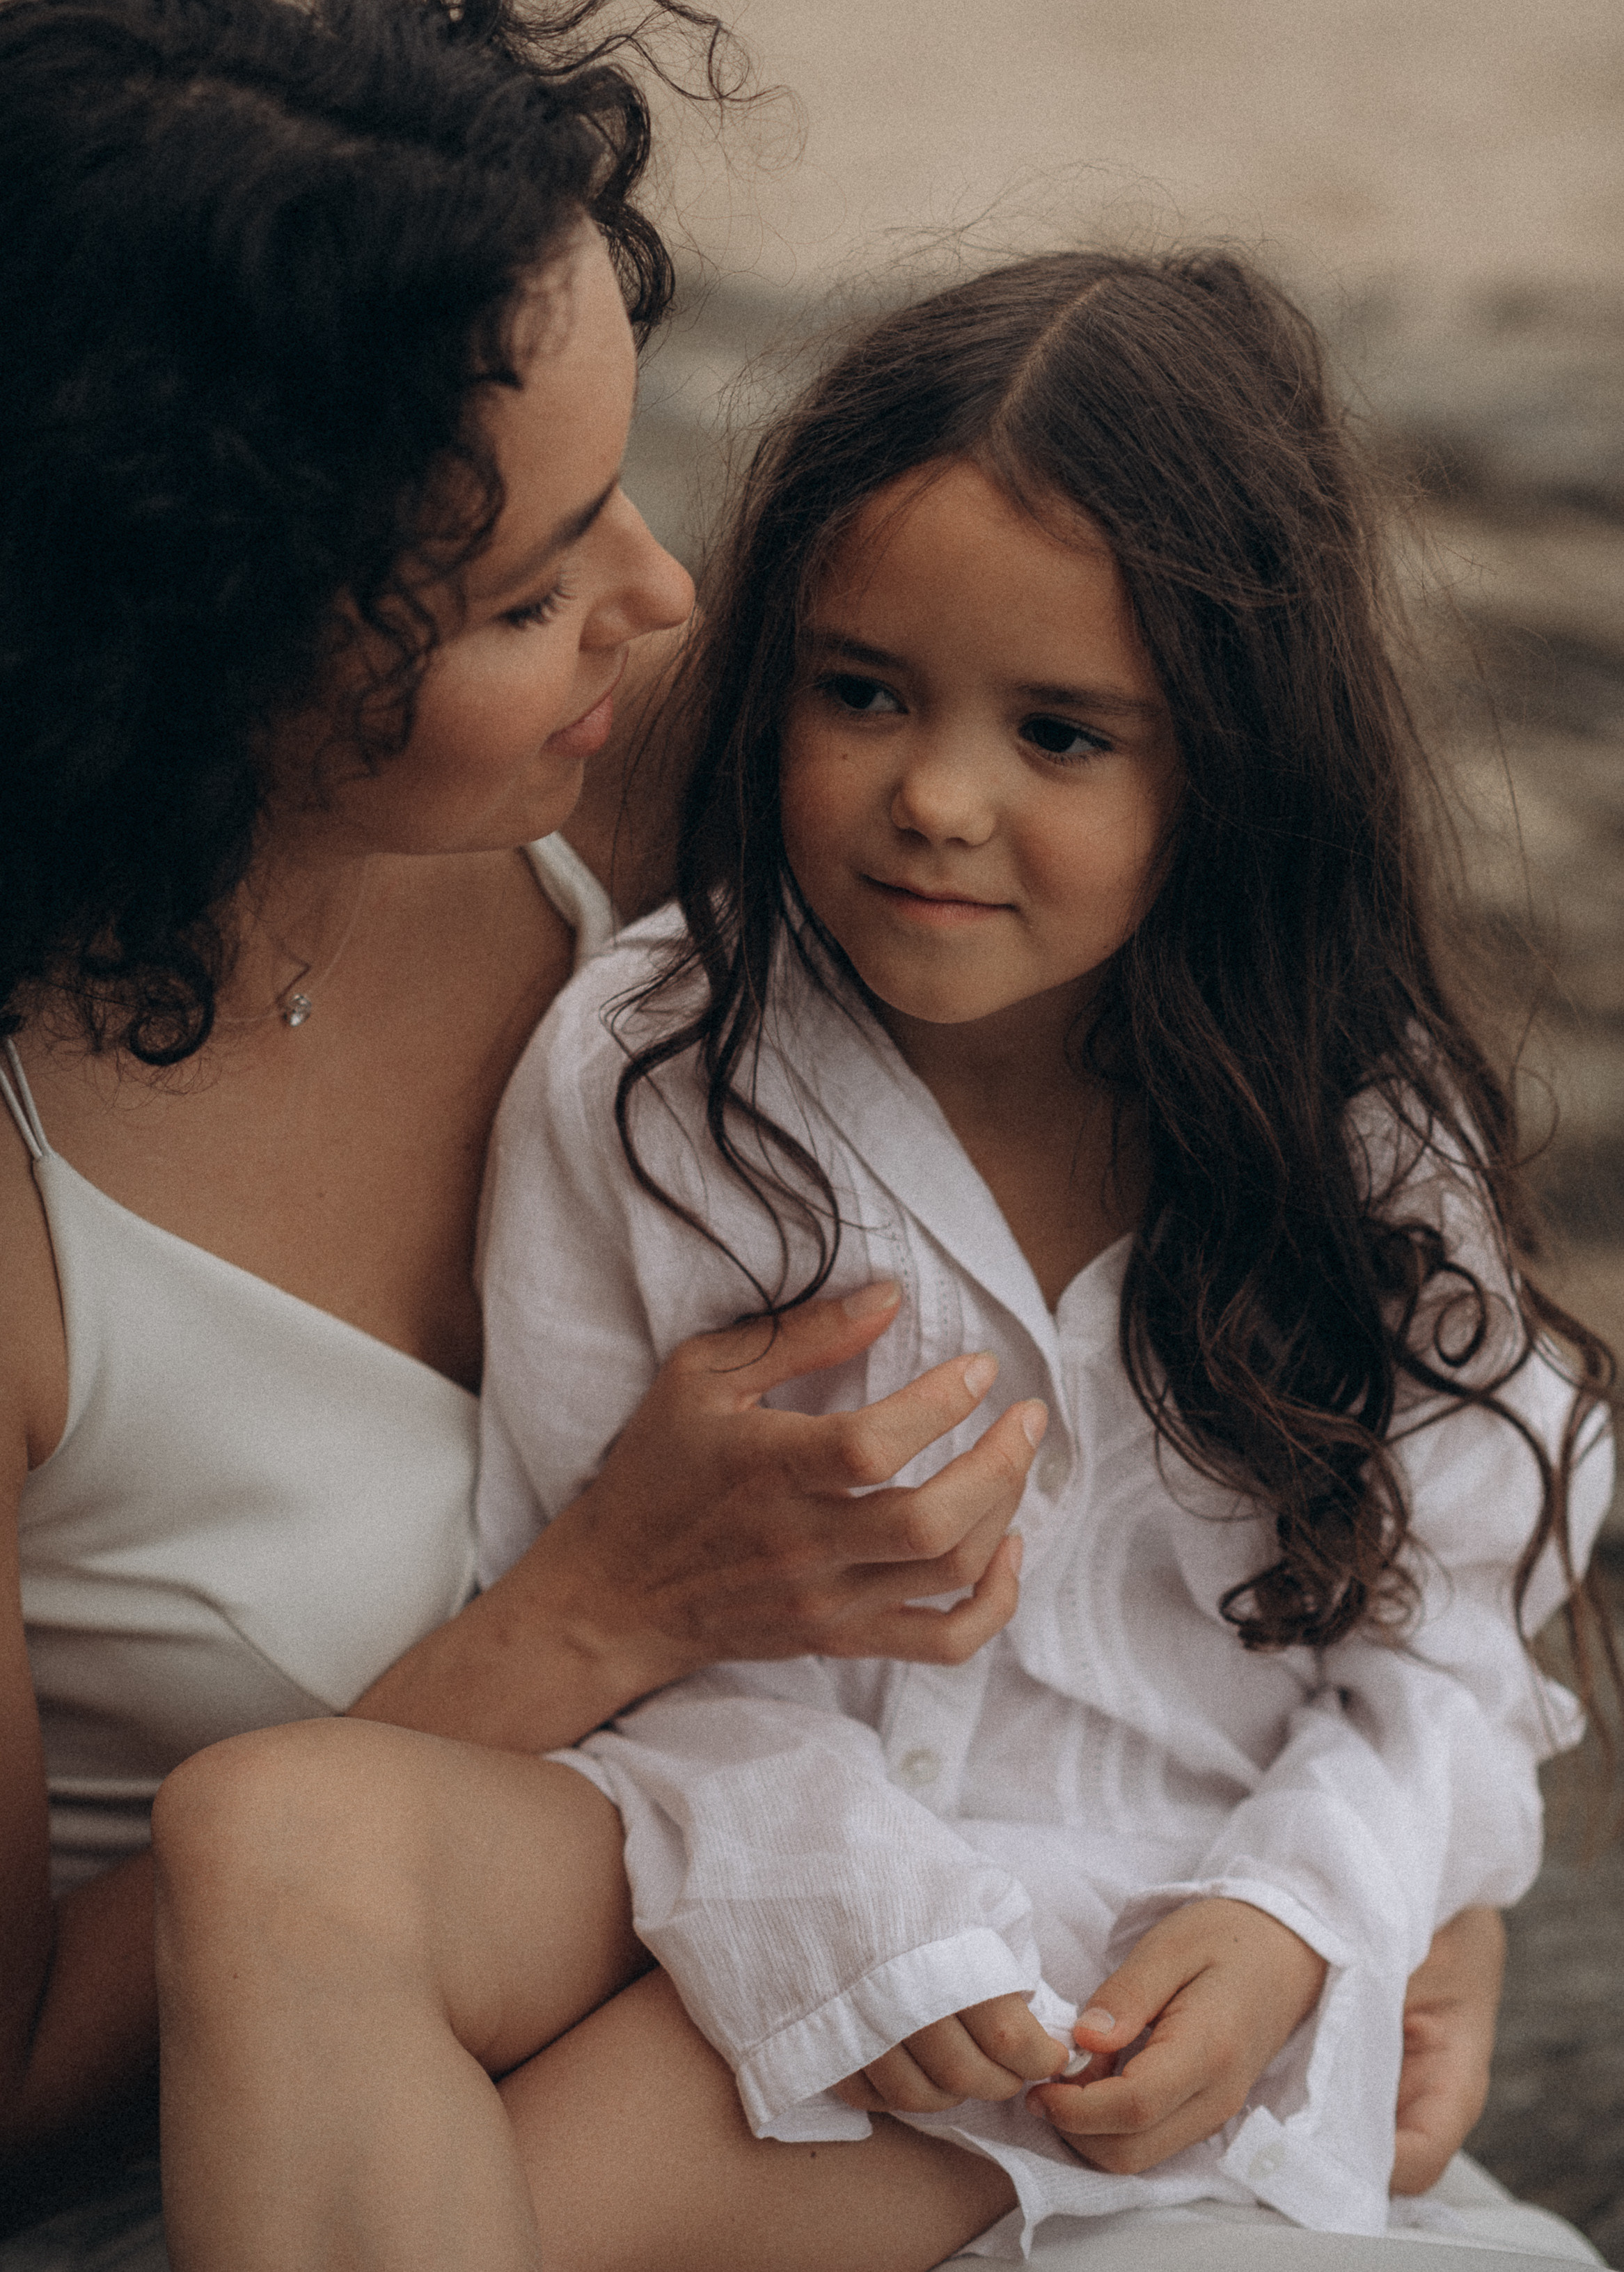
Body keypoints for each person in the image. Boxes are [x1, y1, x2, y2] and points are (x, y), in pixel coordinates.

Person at [150, 256, 1614, 2272]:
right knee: (284, 1848)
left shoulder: (1358, 1136)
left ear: (1233, 765)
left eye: (1063, 734)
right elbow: (603, 1594)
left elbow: (1448, 1644)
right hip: (757, 1893)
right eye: (864, 691)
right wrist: (852, 1899)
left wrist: (1296, 1924)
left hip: (1156, 1960)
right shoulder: (660, 1074)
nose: (937, 796)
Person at [0, 0, 1055, 2264]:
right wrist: (593, 1613)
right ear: (172, 653)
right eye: (526, 584)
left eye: (627, 490)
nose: (661, 599)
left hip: (873, 2024)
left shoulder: (639, 782)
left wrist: (1394, 1869)